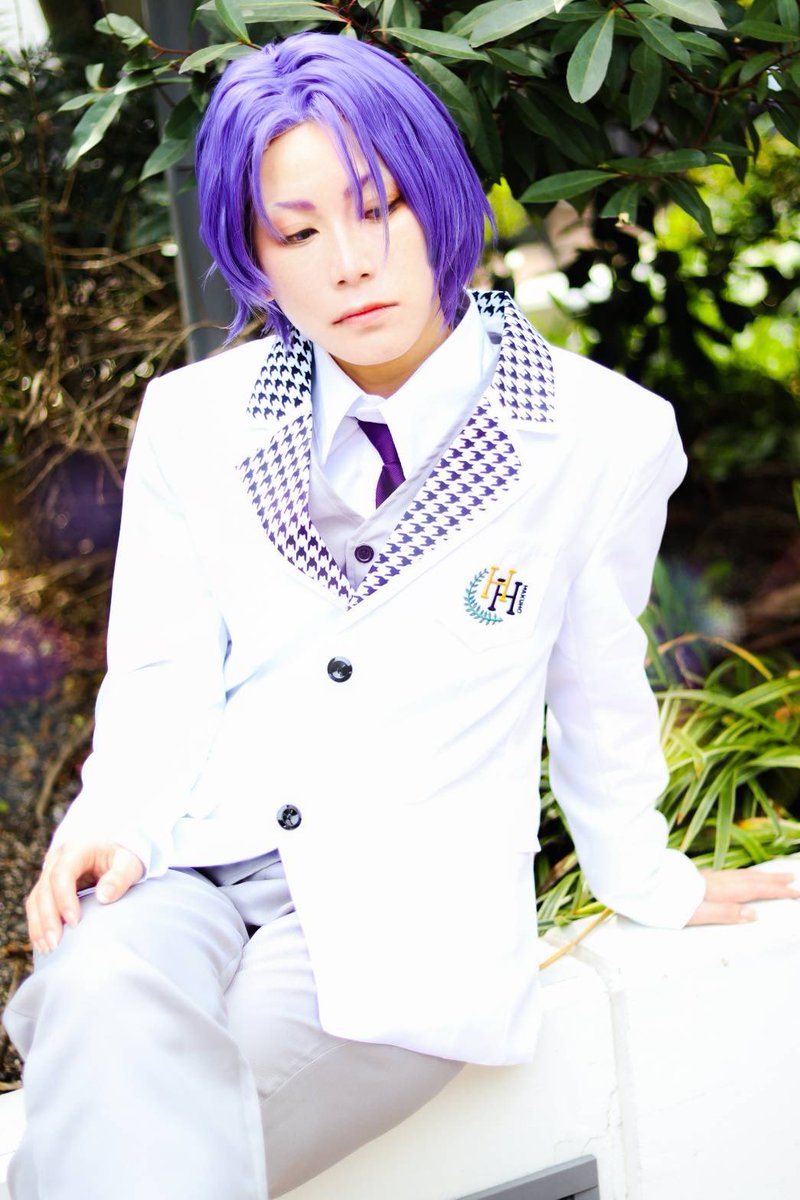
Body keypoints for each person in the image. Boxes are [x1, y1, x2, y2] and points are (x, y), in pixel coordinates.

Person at [4, 30, 797, 1200]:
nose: (349, 264)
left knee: (136, 1155)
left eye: (380, 209)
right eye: (297, 233)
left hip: (400, 922)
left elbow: (595, 683)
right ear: (253, 253)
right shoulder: (194, 419)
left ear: (438, 199)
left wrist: (643, 874)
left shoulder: (598, 435)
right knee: (92, 990)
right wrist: (116, 815)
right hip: (187, 865)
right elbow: (164, 670)